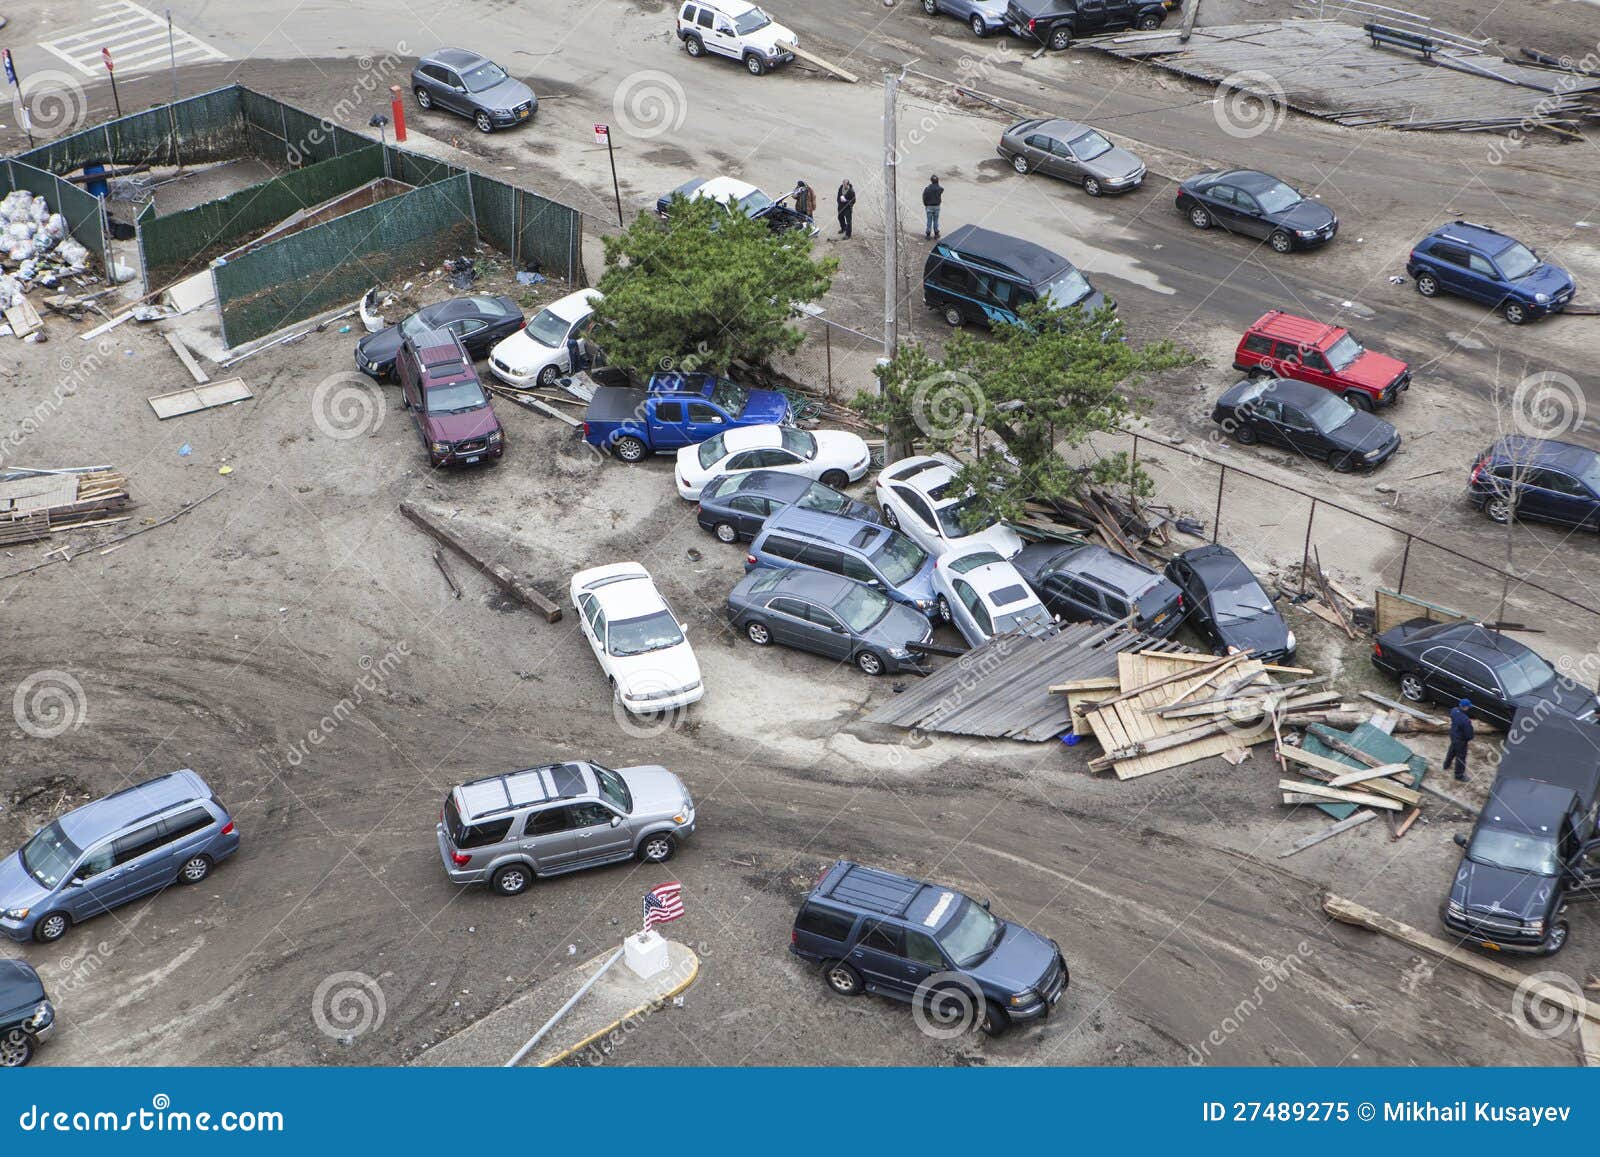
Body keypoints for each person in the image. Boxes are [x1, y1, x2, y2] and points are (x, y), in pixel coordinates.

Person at [1446, 698, 1475, 781]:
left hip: (1453, 735)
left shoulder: (1454, 710)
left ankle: (1446, 764)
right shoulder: (1465, 720)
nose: (1469, 708)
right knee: (1461, 757)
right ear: (1465, 707)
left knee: (1452, 750)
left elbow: (1452, 718)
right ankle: (1459, 775)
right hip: (1461, 740)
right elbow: (1469, 734)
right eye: (1468, 707)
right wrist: (1469, 738)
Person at [922, 175, 943, 239]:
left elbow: (924, 197)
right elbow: (941, 189)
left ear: (931, 181)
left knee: (929, 221)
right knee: (936, 220)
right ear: (937, 181)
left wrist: (926, 204)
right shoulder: (939, 189)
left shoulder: (927, 188)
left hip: (929, 206)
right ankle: (936, 233)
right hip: (936, 206)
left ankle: (928, 234)